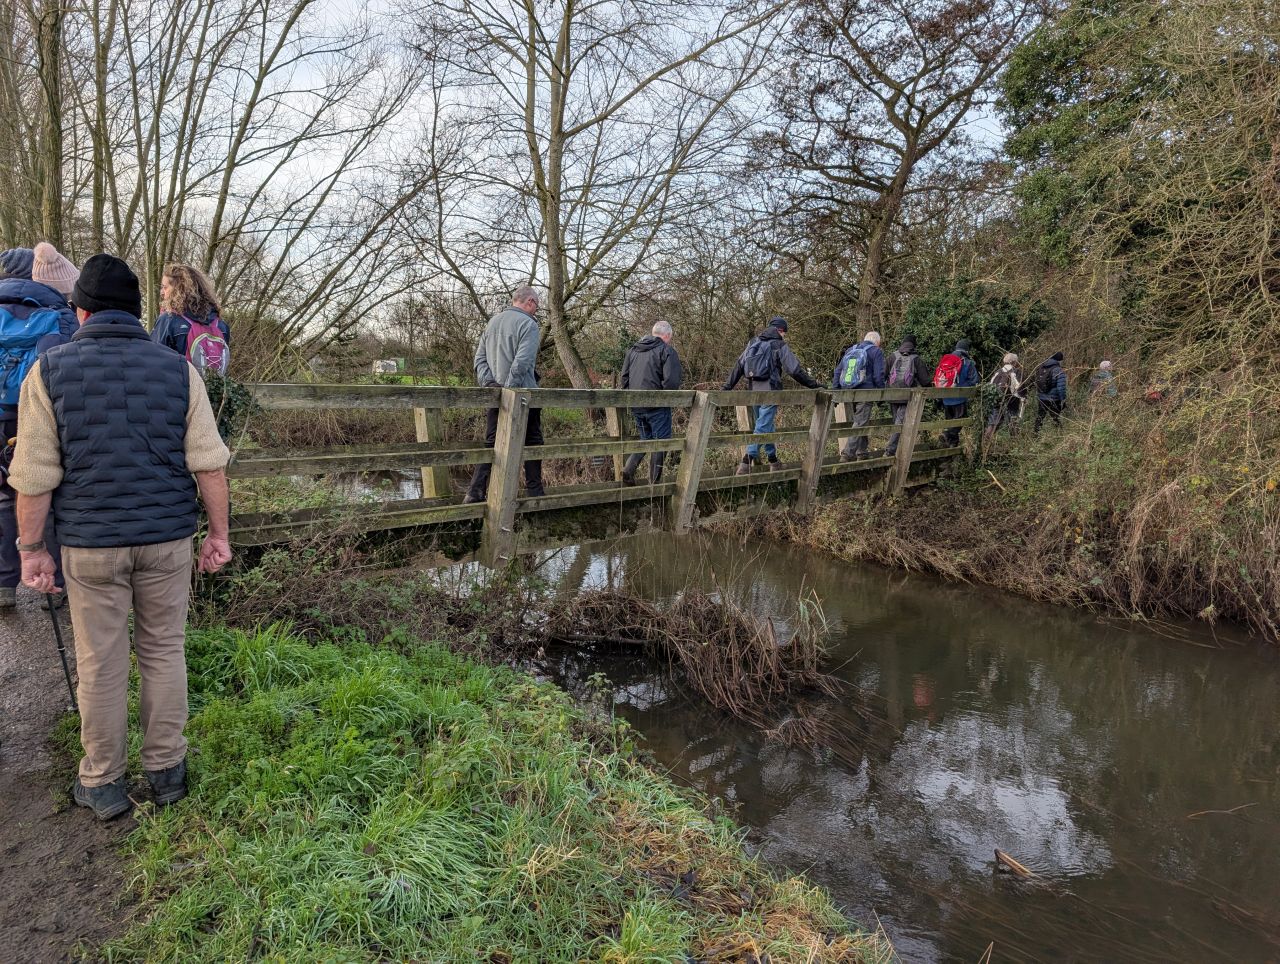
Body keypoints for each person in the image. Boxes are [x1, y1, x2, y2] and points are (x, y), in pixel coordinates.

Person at [10, 253, 232, 821]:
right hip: (167, 540)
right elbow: (209, 465)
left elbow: (33, 477)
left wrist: (32, 551)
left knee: (101, 663)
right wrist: (218, 537)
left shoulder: (50, 372)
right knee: (163, 651)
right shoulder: (178, 370)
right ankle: (167, 774)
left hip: (90, 544)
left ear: (80, 310)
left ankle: (104, 782)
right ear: (136, 313)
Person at [0, 243, 78, 610]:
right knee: (45, 491)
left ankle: (4, 584)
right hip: (37, 412)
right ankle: (53, 582)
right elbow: (63, 369)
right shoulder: (58, 312)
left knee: (2, 495)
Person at [463, 285, 546, 503]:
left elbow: (479, 359)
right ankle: (534, 492)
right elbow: (522, 362)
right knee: (533, 441)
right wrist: (510, 391)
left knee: (492, 442)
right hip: (522, 395)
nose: (536, 310)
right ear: (529, 302)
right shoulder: (528, 325)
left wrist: (491, 385)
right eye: (536, 305)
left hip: (496, 394)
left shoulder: (493, 322)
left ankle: (475, 491)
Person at [723, 316, 819, 474]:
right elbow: (794, 370)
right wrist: (813, 384)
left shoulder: (753, 342)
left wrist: (726, 387)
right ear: (781, 331)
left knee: (765, 425)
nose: (784, 336)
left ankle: (773, 460)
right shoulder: (778, 344)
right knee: (762, 426)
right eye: (785, 333)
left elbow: (739, 366)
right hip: (771, 391)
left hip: (753, 391)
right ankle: (747, 459)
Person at [619, 320, 683, 485]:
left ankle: (629, 469)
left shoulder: (633, 350)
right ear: (667, 335)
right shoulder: (666, 350)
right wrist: (664, 397)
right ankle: (654, 483)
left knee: (646, 438)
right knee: (661, 441)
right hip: (657, 405)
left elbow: (624, 379)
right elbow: (671, 382)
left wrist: (631, 398)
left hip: (636, 405)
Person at [151, 263, 230, 375]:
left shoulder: (168, 320)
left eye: (165, 287)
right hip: (211, 391)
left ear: (179, 289)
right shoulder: (221, 325)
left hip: (178, 389)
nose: (162, 292)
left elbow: (153, 360)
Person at [833, 331, 886, 461]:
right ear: (877, 343)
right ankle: (847, 454)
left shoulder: (852, 349)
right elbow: (878, 376)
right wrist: (881, 394)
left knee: (860, 420)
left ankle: (861, 451)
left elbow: (838, 371)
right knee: (860, 421)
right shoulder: (876, 351)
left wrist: (836, 390)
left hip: (850, 391)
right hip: (866, 392)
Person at [883, 334, 933, 457]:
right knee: (900, 424)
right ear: (913, 345)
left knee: (897, 423)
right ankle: (890, 451)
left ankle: (895, 450)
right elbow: (925, 381)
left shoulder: (892, 356)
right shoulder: (916, 359)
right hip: (907, 397)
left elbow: (883, 375)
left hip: (892, 395)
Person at [934, 338, 979, 446]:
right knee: (960, 420)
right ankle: (946, 434)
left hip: (946, 398)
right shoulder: (968, 363)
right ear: (966, 350)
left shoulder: (946, 360)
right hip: (960, 398)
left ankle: (951, 447)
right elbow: (974, 380)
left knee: (951, 422)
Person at [983, 352, 1026, 442]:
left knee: (994, 422)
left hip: (996, 400)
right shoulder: (1016, 372)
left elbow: (990, 385)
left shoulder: (998, 372)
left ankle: (985, 443)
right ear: (1014, 362)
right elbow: (1020, 388)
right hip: (1012, 400)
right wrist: (1024, 397)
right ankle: (1015, 443)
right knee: (1012, 420)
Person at [1034, 351, 1069, 431]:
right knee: (1055, 417)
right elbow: (1061, 388)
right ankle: (1059, 434)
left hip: (1041, 398)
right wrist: (1063, 399)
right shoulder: (1058, 370)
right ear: (1059, 360)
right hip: (1053, 399)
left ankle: (1035, 434)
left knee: (1040, 416)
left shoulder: (1040, 367)